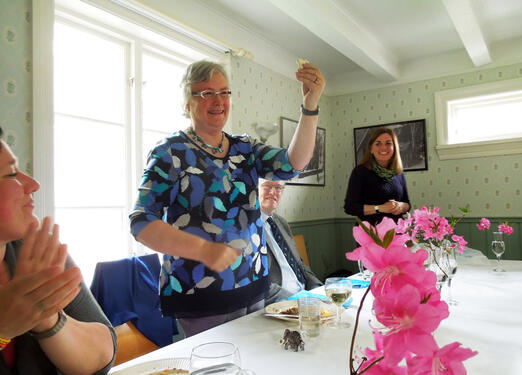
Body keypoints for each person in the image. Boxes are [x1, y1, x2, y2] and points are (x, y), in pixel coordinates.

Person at [129, 60, 325, 336]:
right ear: (187, 102)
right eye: (206, 93)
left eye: (224, 92)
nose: (218, 100)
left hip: (255, 287)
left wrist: (311, 105)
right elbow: (141, 222)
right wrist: (204, 250)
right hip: (200, 295)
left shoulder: (243, 147)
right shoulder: (170, 152)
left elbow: (293, 163)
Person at [0, 127, 116, 374]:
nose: (32, 184)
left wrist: (46, 317)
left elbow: (104, 354)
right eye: (11, 173)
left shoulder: (34, 251)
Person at [258, 179, 322, 305]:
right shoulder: (248, 227)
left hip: (305, 296)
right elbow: (258, 282)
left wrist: (317, 288)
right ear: (255, 189)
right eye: (267, 186)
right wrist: (296, 301)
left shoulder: (281, 223)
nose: (273, 192)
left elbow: (300, 263)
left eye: (278, 188)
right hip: (281, 303)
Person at [344, 127, 410, 226]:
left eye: (388, 143)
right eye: (378, 143)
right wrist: (380, 208)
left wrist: (400, 206)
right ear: (371, 149)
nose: (383, 148)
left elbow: (407, 205)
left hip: (397, 233)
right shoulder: (360, 171)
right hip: (371, 234)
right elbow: (350, 207)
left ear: (395, 147)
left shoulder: (399, 173)